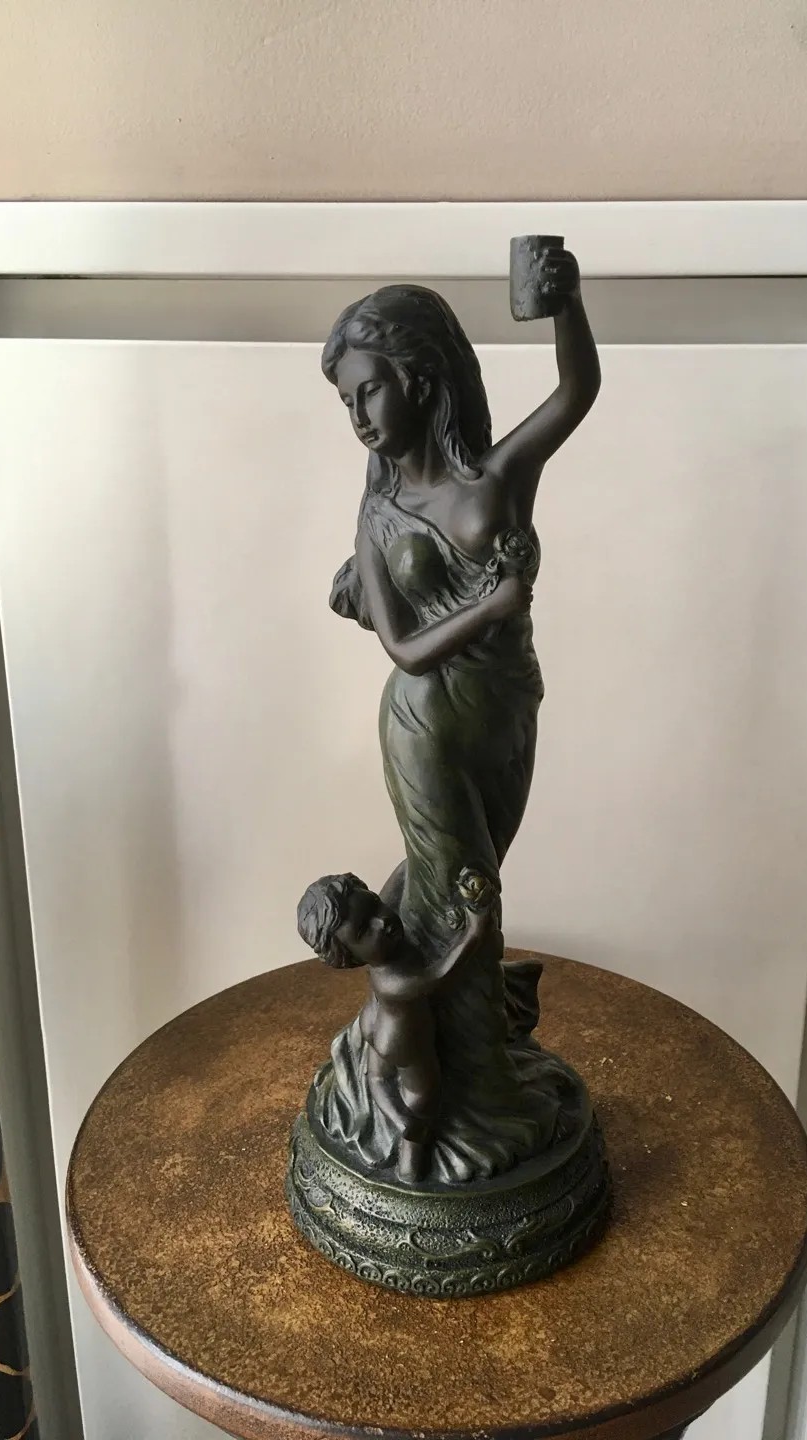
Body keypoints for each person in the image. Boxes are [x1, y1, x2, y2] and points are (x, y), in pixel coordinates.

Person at [311, 246, 599, 1182]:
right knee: (471, 894)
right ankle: (474, 1102)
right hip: (427, 729)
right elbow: (402, 649)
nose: (358, 416)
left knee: (457, 886)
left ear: (419, 378)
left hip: (510, 708)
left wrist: (565, 302)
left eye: (368, 391)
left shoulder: (497, 477)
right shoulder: (378, 513)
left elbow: (576, 393)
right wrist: (497, 601)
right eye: (346, 401)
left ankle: (397, 1030)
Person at [297, 868, 497, 1182]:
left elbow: (399, 880)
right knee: (423, 1098)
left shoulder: (382, 936)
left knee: (378, 1075)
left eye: (375, 905)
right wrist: (474, 930)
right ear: (350, 956)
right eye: (364, 931)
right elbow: (441, 976)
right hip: (405, 1042)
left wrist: (418, 862)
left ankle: (391, 1110)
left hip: (377, 1023)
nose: (381, 921)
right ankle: (410, 1162)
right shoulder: (395, 981)